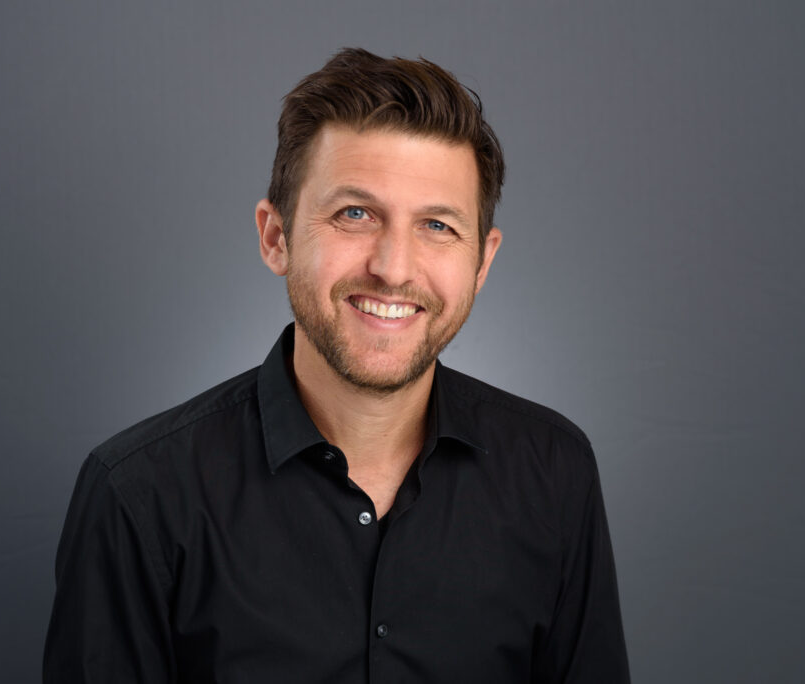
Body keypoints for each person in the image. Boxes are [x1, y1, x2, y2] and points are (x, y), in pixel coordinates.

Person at [43, 47, 630, 683]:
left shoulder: (554, 471)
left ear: (482, 263)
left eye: (437, 225)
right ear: (276, 237)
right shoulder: (139, 493)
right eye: (355, 214)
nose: (394, 268)